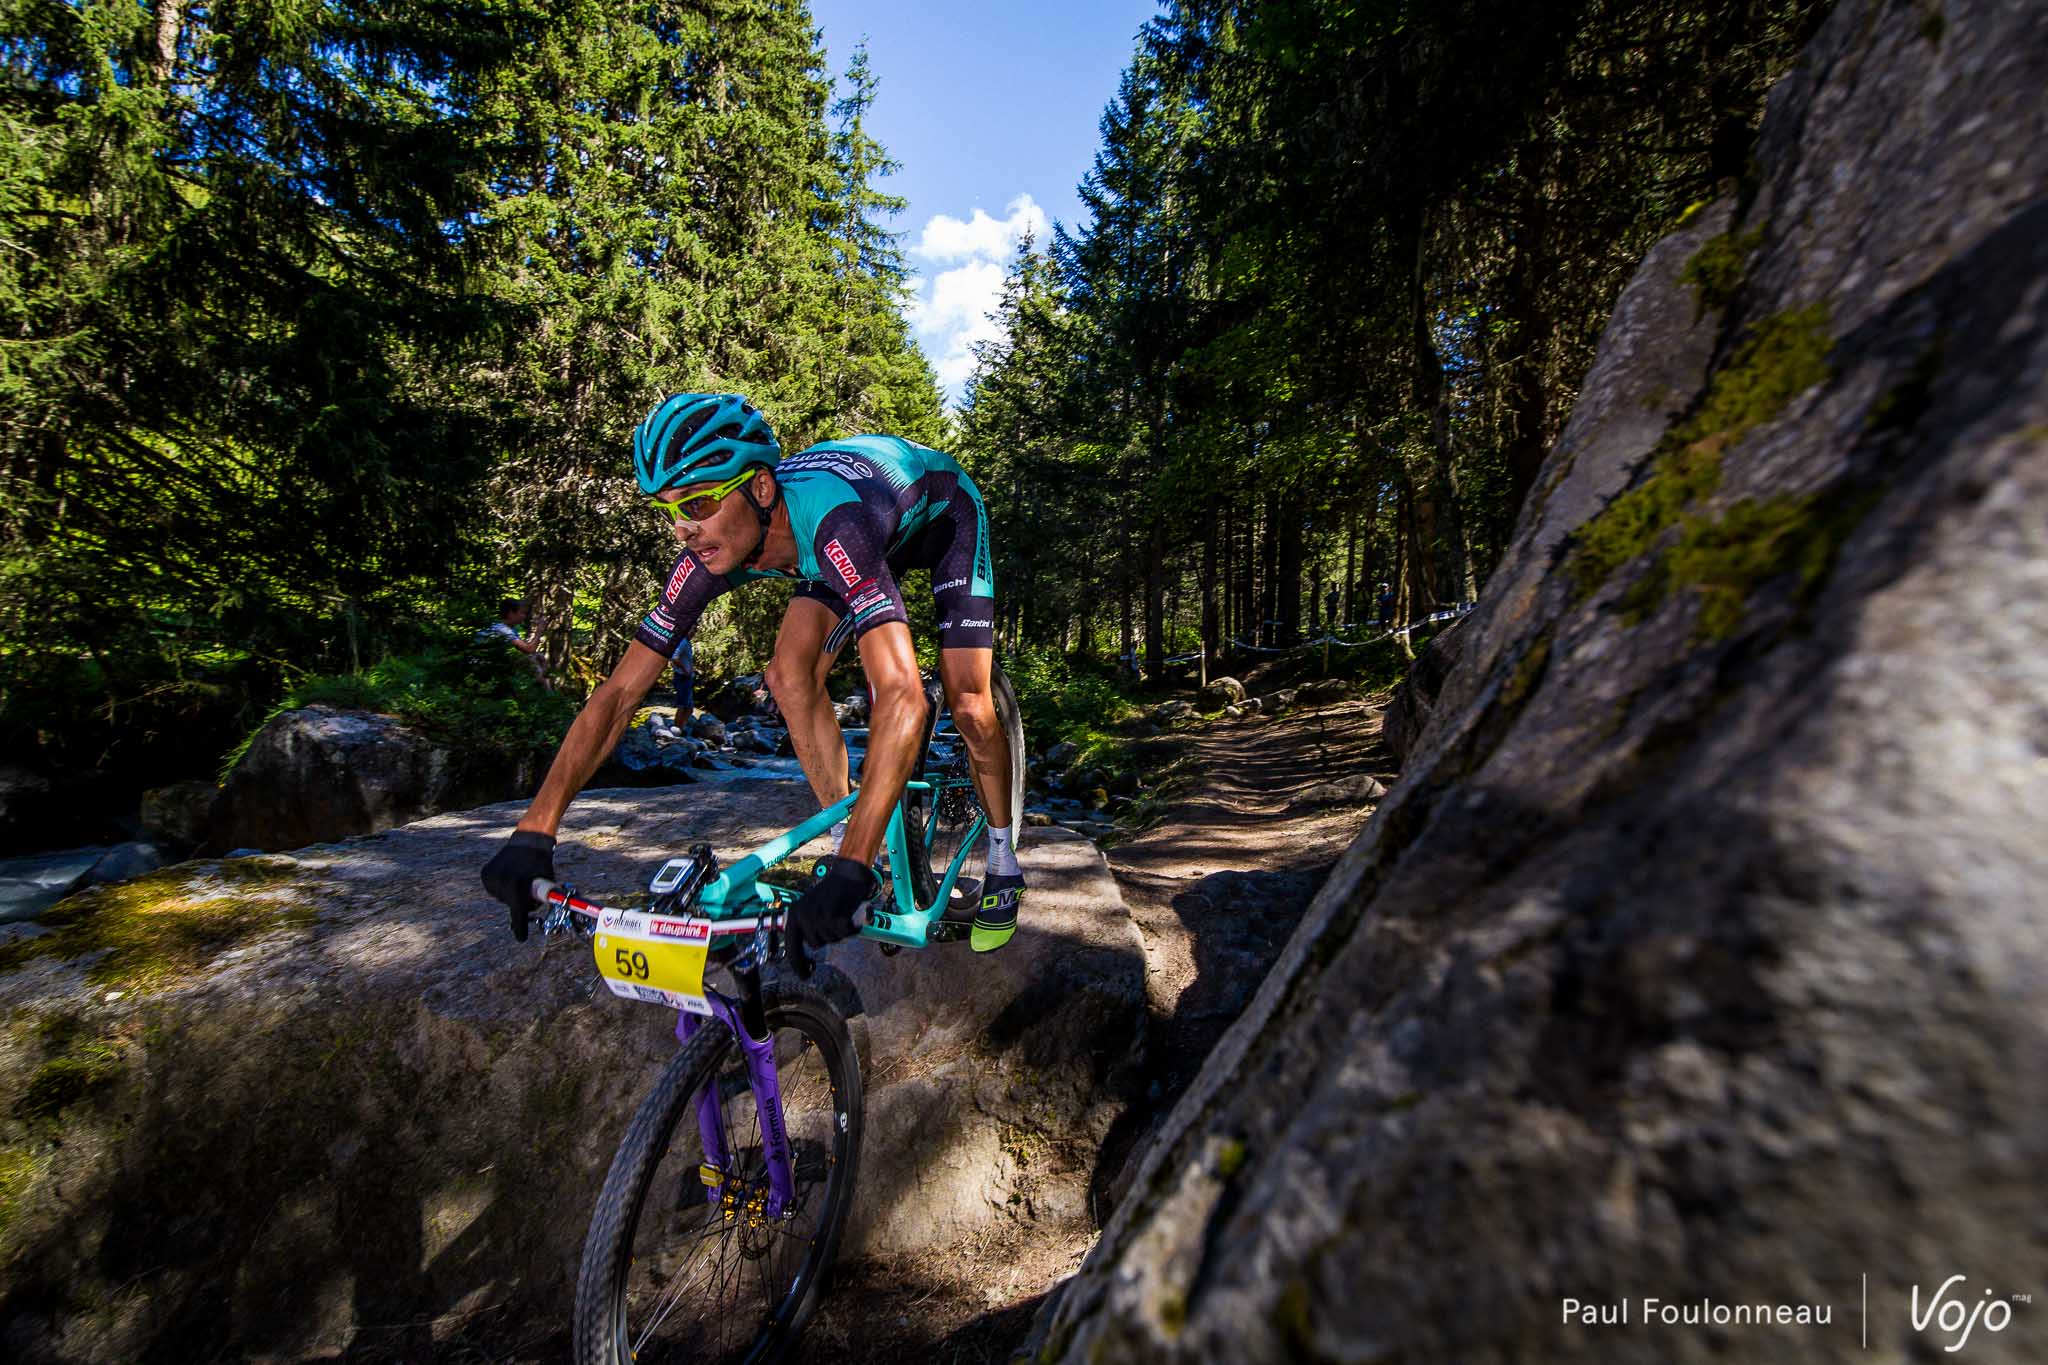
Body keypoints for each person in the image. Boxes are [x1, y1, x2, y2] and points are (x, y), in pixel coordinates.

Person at [479, 393, 1025, 961]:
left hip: (940, 517)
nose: (680, 531)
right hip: (830, 543)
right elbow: (619, 695)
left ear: (760, 490)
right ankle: (849, 836)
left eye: (696, 505)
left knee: (966, 702)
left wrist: (848, 876)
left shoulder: (835, 526)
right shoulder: (713, 551)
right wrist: (535, 831)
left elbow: (901, 696)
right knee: (788, 675)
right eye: (668, 510)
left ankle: (1004, 861)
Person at [478, 599, 547, 685]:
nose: (524, 616)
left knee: (536, 657)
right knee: (531, 661)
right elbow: (529, 649)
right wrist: (539, 631)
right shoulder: (502, 629)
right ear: (511, 613)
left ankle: (540, 686)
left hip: (492, 662)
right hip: (482, 665)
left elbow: (524, 651)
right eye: (522, 613)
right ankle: (544, 691)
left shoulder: (509, 629)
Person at [668, 633, 696, 720]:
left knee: (689, 708)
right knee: (682, 706)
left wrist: (691, 669)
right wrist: (685, 670)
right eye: (693, 629)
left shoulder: (688, 643)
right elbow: (674, 658)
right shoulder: (683, 642)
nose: (694, 632)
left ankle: (680, 729)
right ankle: (676, 729)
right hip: (681, 677)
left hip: (687, 677)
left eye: (696, 629)